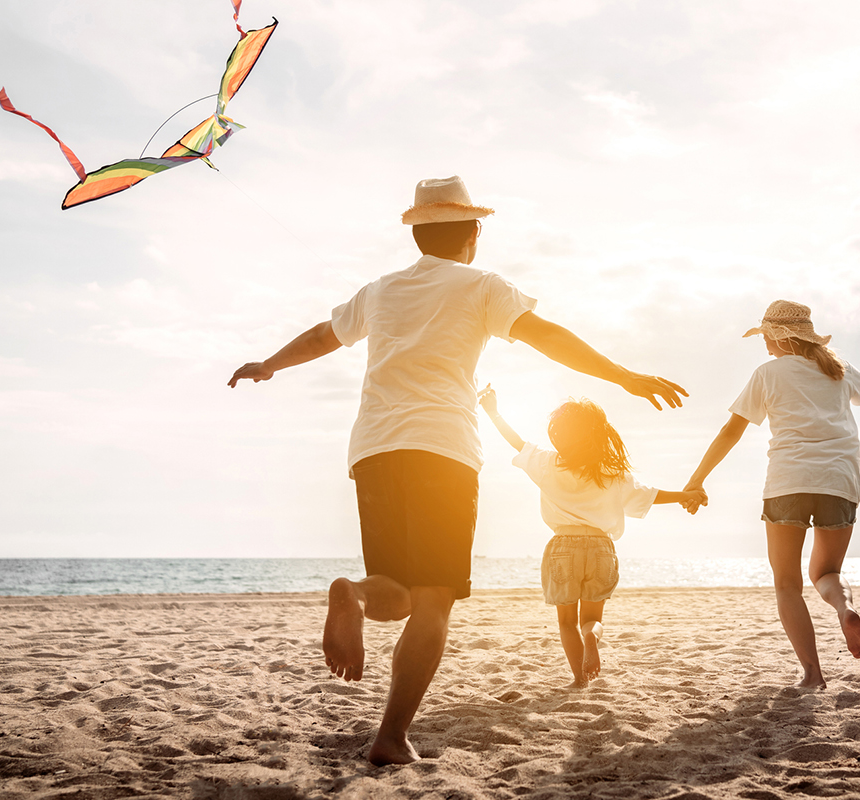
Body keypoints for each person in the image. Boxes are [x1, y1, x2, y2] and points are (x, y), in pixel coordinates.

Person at [227, 176, 686, 765]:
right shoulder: (484, 286)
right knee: (434, 599)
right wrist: (624, 376)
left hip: (373, 449)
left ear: (418, 234)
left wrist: (269, 364)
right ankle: (390, 737)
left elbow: (324, 335)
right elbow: (547, 338)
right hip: (442, 450)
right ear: (473, 233)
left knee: (394, 591)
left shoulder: (380, 290)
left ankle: (356, 597)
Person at [682, 300, 860, 689]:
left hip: (787, 483)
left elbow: (731, 431)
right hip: (839, 483)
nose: (764, 346)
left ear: (777, 337)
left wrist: (697, 479)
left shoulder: (768, 373)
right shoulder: (839, 369)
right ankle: (845, 607)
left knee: (787, 584)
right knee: (826, 573)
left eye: (766, 338)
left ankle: (812, 673)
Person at [477, 385, 706, 687]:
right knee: (591, 619)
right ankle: (591, 635)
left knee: (565, 621)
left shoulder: (547, 463)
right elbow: (650, 495)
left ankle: (579, 680)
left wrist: (493, 411)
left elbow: (516, 442)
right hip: (601, 547)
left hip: (563, 547)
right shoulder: (611, 472)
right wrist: (685, 495)